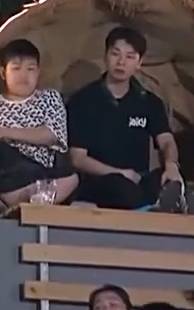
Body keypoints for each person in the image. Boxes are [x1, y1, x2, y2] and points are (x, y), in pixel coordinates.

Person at [65, 27, 185, 212]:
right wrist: (119, 173)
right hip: (101, 180)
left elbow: (167, 141)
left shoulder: (149, 102)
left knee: (164, 179)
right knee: (120, 188)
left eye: (130, 57)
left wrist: (171, 165)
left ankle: (155, 204)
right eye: (115, 54)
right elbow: (78, 159)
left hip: (138, 179)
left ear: (139, 63)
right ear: (105, 56)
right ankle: (152, 208)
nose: (121, 62)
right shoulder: (83, 100)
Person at [0, 39, 77, 207]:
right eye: (16, 68)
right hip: (6, 173)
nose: (23, 75)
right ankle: (25, 197)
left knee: (71, 176)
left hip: (44, 169)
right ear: (3, 73)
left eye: (30, 69)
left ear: (38, 73)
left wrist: (5, 133)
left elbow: (52, 134)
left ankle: (26, 198)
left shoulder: (49, 98)